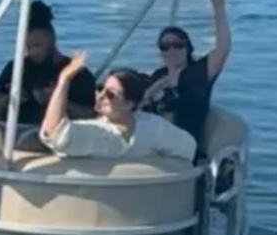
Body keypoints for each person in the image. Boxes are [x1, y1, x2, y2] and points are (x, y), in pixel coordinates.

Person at [40, 54, 197, 160]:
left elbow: (54, 133)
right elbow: (188, 148)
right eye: (100, 88)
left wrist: (64, 79)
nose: (101, 96)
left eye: (110, 94)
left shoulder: (97, 135)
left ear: (129, 104)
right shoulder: (153, 129)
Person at [142, 0, 231, 154]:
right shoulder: (158, 76)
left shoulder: (198, 73)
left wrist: (219, 8)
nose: (172, 50)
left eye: (177, 44)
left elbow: (223, 49)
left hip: (182, 150)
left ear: (188, 47)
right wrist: (158, 86)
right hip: (152, 145)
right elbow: (140, 105)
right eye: (165, 46)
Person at [0, 0, 95, 136]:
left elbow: (89, 115)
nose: (33, 52)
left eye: (38, 46)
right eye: (28, 47)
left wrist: (55, 99)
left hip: (55, 135)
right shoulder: (16, 68)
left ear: (52, 40)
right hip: (15, 131)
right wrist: (10, 99)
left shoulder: (76, 73)